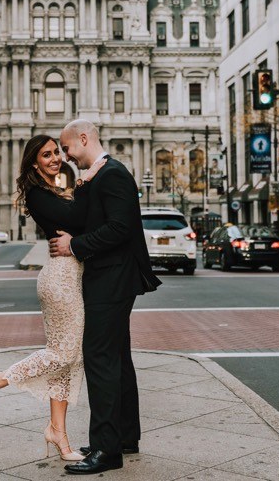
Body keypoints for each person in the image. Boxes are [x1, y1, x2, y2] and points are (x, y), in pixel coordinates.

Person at [0, 135, 105, 463]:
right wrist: (86, 182)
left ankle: (58, 432)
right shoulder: (37, 194)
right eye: (47, 155)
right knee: (64, 354)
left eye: (57, 152)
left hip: (70, 276)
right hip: (60, 280)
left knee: (70, 360)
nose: (56, 158)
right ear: (33, 163)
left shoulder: (55, 188)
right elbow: (76, 220)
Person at [50, 119, 161, 475]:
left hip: (112, 278)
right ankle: (124, 437)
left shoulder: (112, 174)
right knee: (117, 359)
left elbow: (119, 228)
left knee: (100, 360)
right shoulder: (100, 176)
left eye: (68, 148)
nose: (66, 156)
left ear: (84, 139)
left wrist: (74, 245)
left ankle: (105, 450)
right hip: (112, 277)